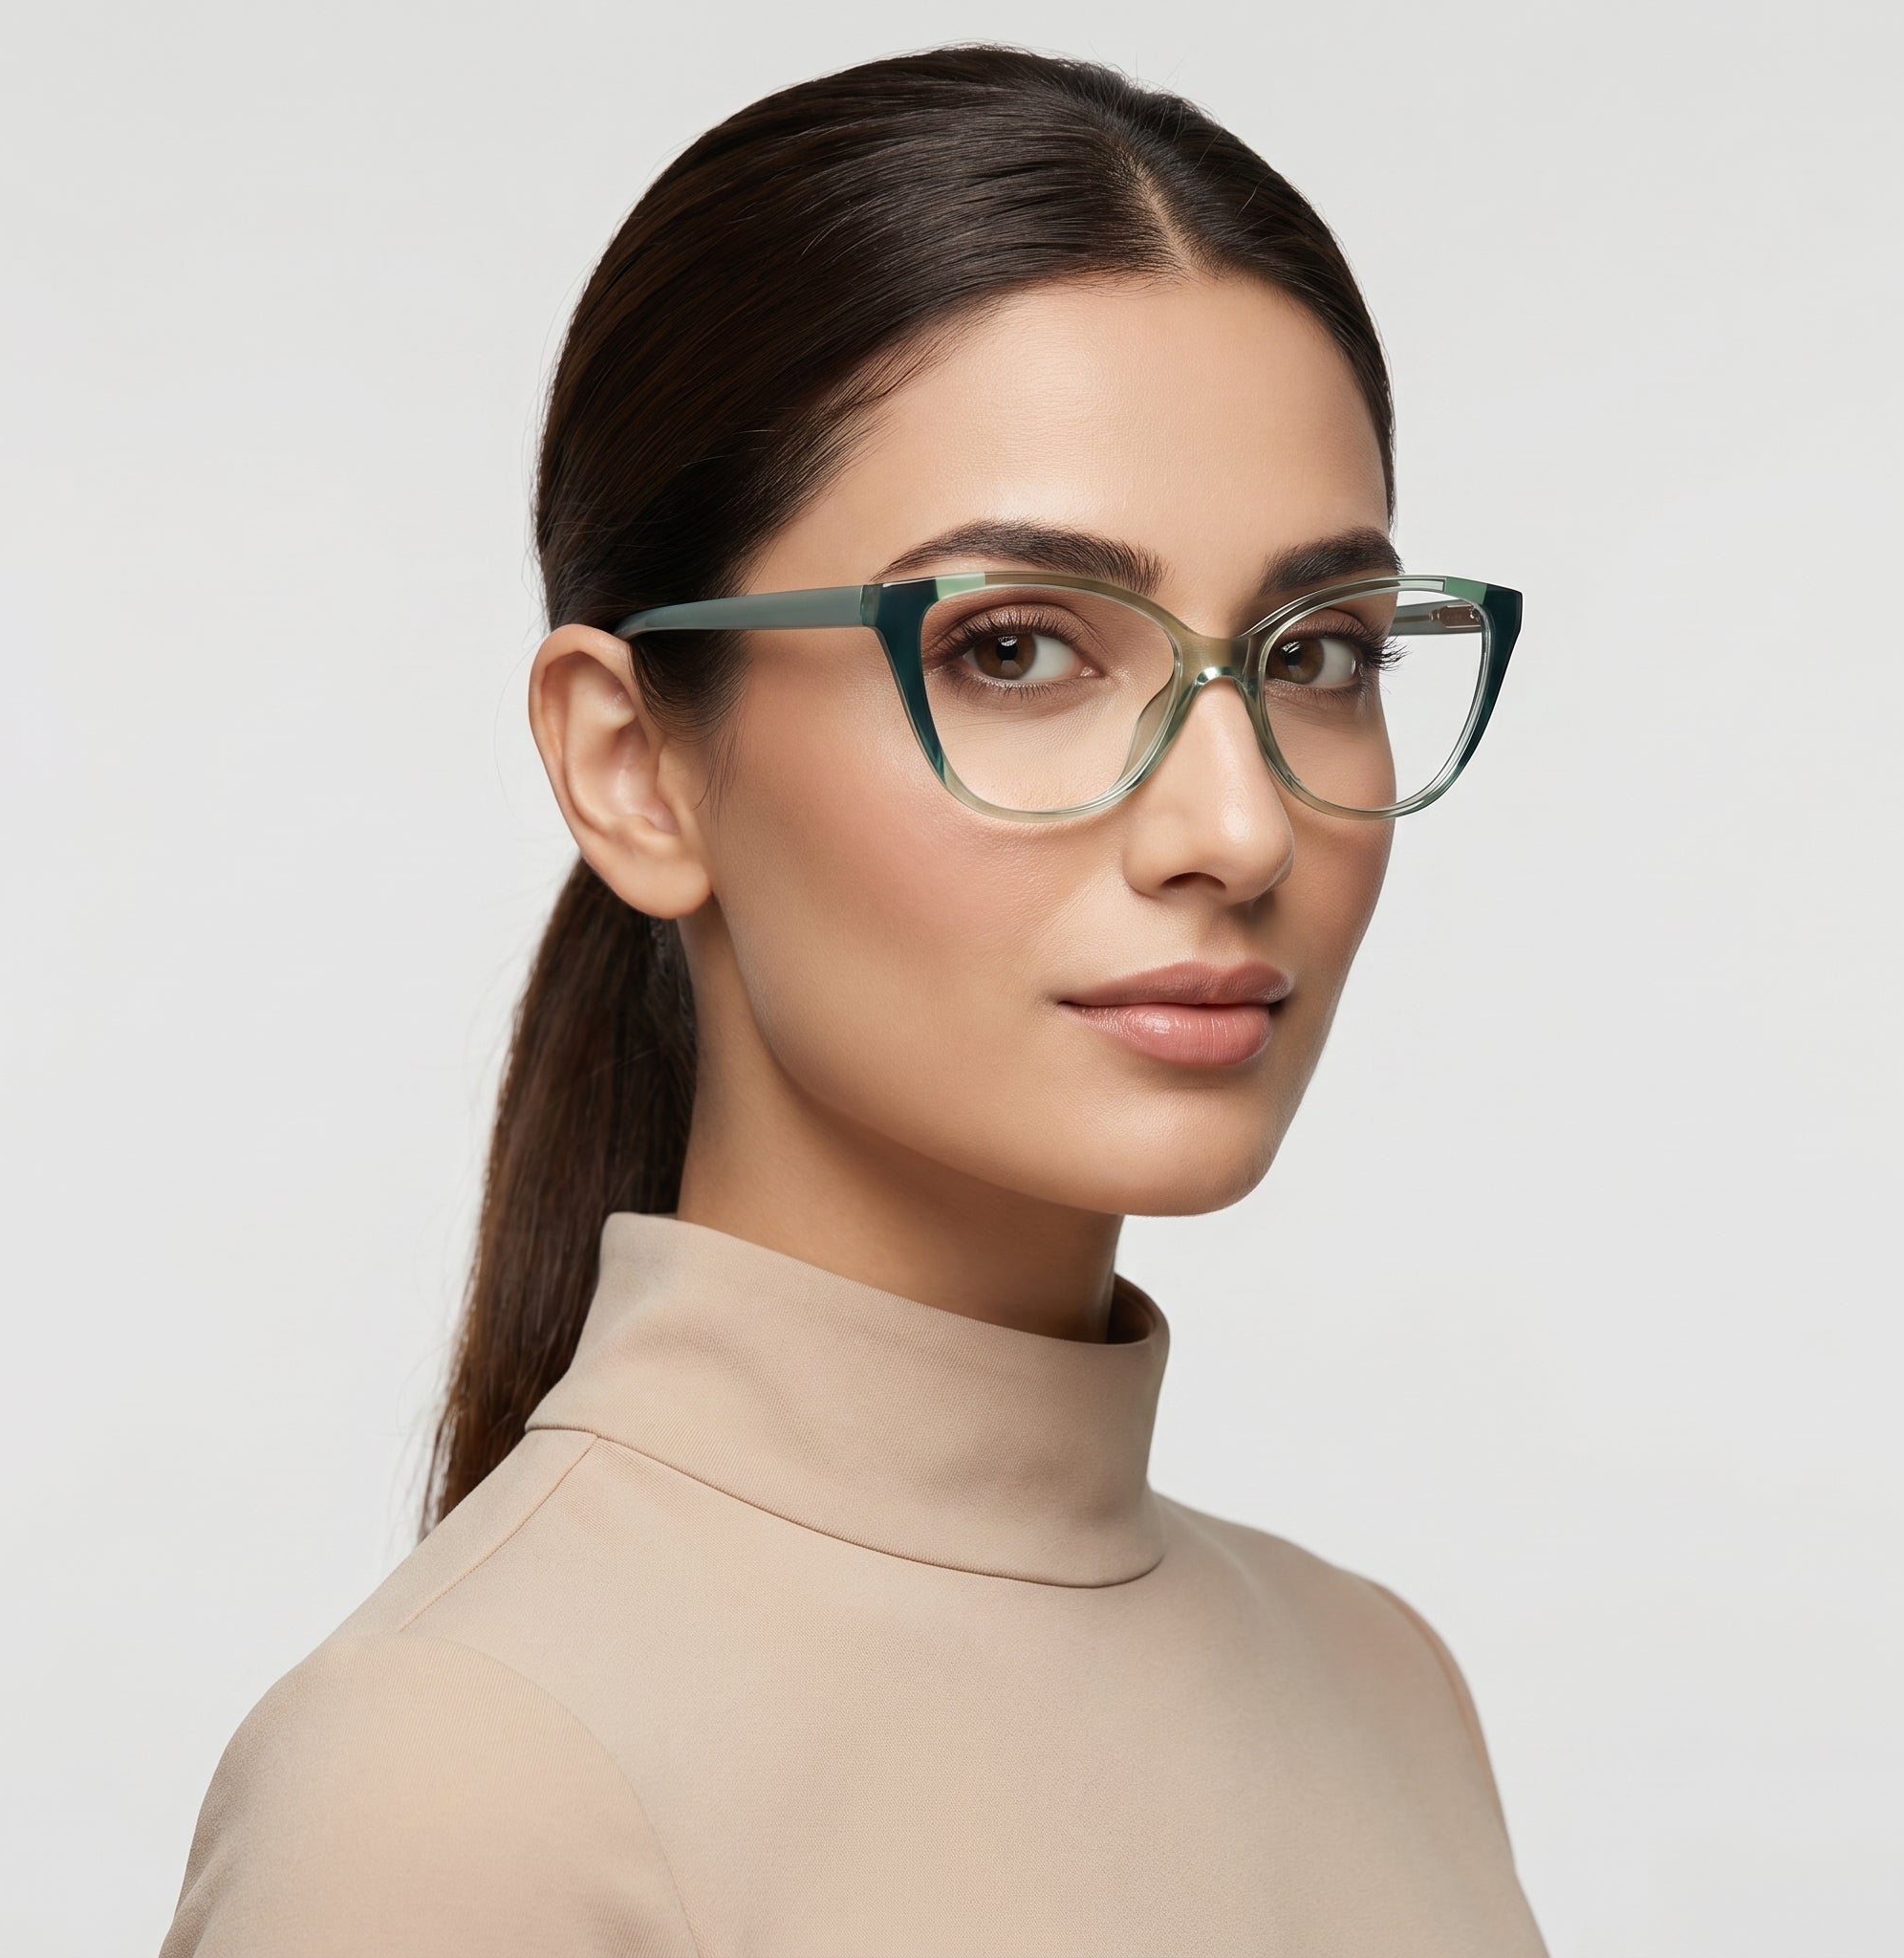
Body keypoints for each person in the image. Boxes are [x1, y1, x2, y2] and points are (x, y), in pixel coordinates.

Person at [160, 42, 1545, 1956]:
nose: (1235, 823)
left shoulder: (1383, 1688)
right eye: (1016, 646)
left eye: (1318, 651)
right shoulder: (461, 1784)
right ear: (636, 761)